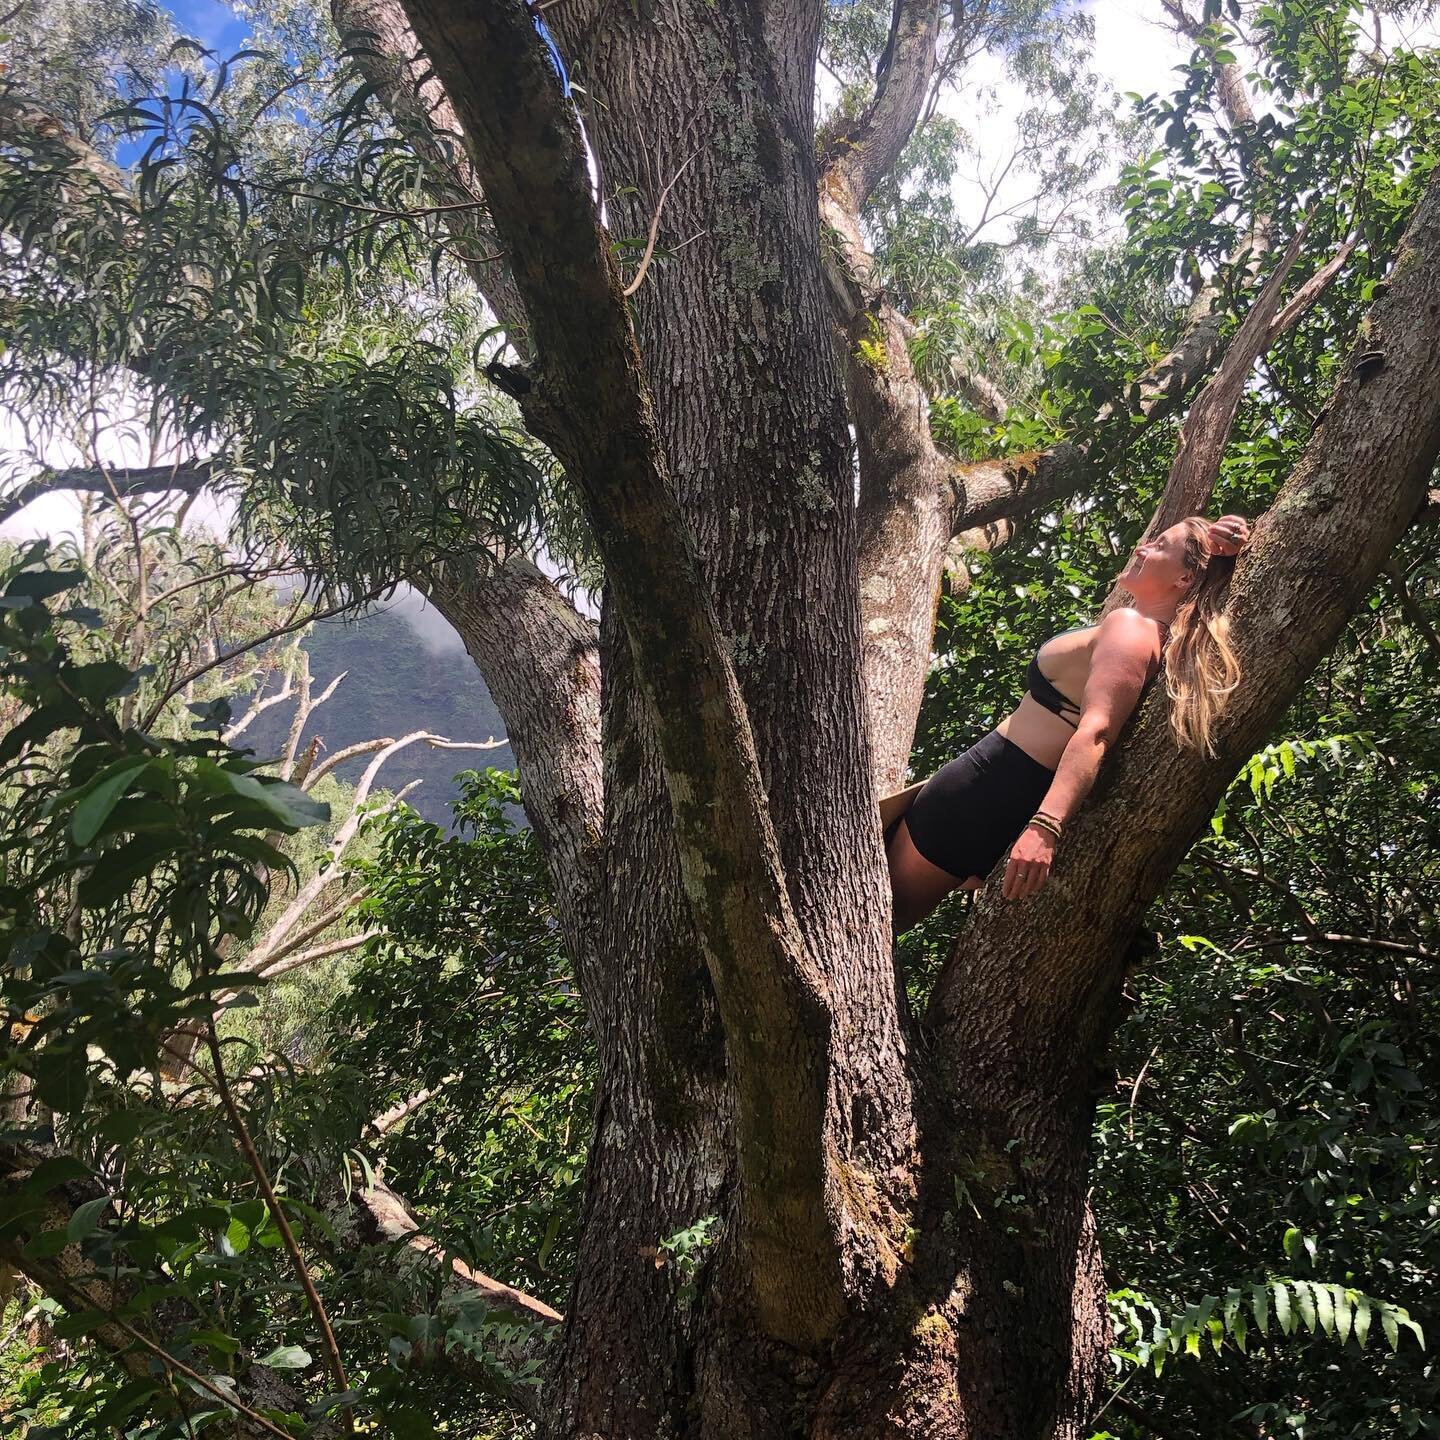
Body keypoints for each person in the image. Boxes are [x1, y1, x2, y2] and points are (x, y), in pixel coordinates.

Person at [884, 513, 1250, 933]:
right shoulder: (1156, 639)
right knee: (880, 924)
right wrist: (1236, 535)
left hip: (982, 792)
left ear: (1185, 579)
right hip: (1000, 800)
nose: (1141, 548)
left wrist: (1046, 827)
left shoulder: (1130, 628)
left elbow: (1096, 731)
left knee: (866, 922)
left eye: (1159, 546)